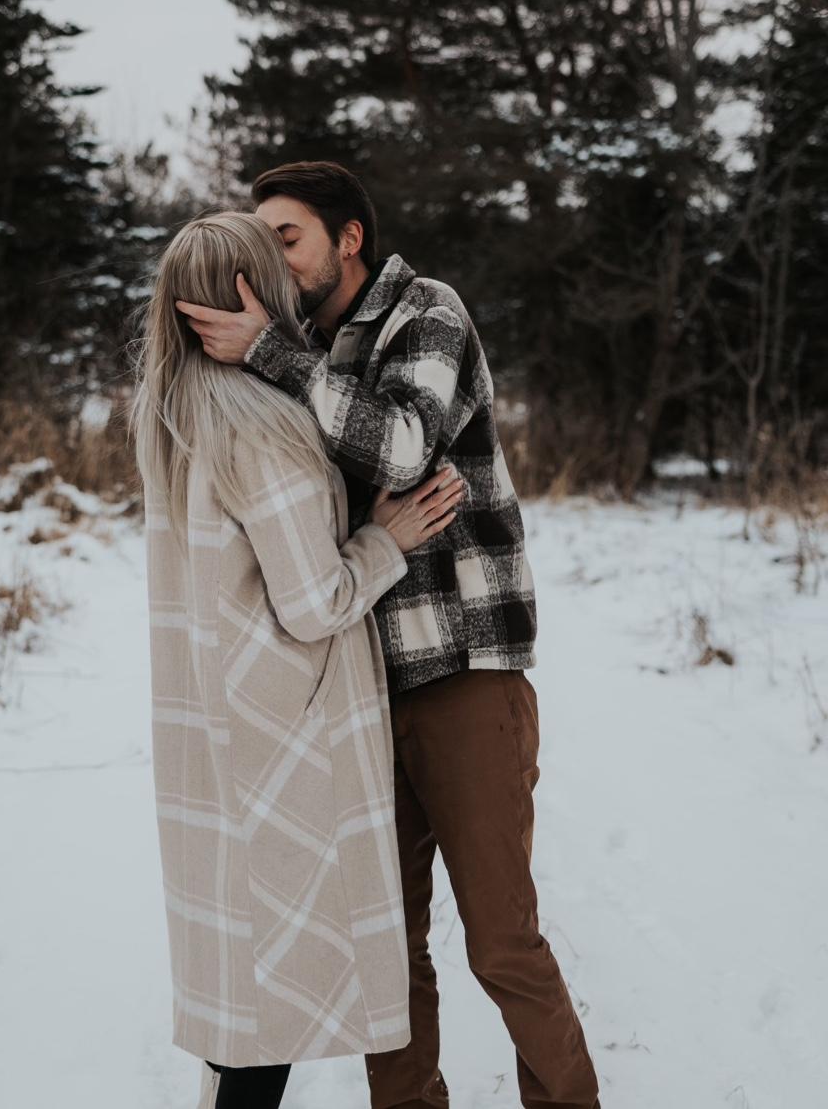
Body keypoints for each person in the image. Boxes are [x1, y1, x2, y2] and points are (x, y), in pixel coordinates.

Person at [176, 163, 602, 1109]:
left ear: (348, 238)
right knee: (389, 949)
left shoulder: (425, 313)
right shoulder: (295, 349)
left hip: (460, 670)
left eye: (286, 240)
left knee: (501, 940)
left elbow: (405, 446)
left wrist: (274, 360)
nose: (272, 265)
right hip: (361, 683)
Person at [131, 211, 465, 1109]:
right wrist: (385, 539)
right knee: (265, 1017)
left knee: (246, 1000)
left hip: (219, 727)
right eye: (270, 260)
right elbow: (315, 602)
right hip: (283, 737)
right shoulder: (263, 432)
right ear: (250, 292)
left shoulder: (174, 419)